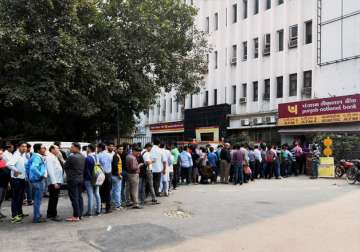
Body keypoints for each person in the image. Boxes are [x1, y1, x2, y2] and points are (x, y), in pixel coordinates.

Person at [64, 143, 85, 222]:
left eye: (72, 147)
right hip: (80, 179)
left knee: (74, 198)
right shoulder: (83, 156)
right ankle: (80, 214)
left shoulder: (71, 157)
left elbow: (65, 166)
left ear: (76, 148)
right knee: (79, 197)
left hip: (73, 180)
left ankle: (76, 216)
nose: (70, 148)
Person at [27, 143, 47, 223]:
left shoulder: (34, 156)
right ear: (38, 150)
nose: (44, 149)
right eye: (43, 148)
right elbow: (33, 168)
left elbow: (27, 166)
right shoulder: (37, 157)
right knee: (37, 200)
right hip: (38, 181)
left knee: (37, 199)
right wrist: (41, 175)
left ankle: (37, 214)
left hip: (35, 180)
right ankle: (36, 217)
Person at [46, 145, 64, 221]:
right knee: (54, 198)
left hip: (57, 181)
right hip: (54, 182)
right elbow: (50, 171)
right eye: (57, 149)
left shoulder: (54, 156)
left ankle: (50, 213)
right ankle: (53, 214)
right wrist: (54, 182)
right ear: (52, 149)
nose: (58, 150)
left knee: (54, 198)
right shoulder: (49, 157)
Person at [84, 144, 101, 216]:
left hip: (89, 178)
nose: (86, 149)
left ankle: (89, 211)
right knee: (97, 193)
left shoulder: (88, 158)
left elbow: (87, 170)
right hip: (97, 177)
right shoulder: (96, 156)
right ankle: (98, 210)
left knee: (90, 195)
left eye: (87, 148)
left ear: (90, 149)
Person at [97, 143, 113, 213]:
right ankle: (108, 208)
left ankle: (100, 207)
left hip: (101, 174)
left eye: (98, 147)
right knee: (108, 192)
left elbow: (97, 165)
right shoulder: (110, 155)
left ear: (100, 148)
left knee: (100, 191)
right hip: (109, 174)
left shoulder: (98, 155)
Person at [111, 145, 123, 210]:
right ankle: (117, 205)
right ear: (117, 149)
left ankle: (113, 203)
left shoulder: (116, 156)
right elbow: (115, 166)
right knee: (117, 191)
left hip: (114, 175)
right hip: (116, 176)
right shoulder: (116, 156)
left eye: (122, 149)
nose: (121, 150)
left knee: (113, 190)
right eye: (120, 149)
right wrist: (119, 175)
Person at [0, 148, 10, 220]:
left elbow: (6, 172)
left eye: (1, 153)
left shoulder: (3, 161)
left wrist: (9, 182)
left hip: (4, 183)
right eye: (0, 154)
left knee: (1, 200)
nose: (1, 155)